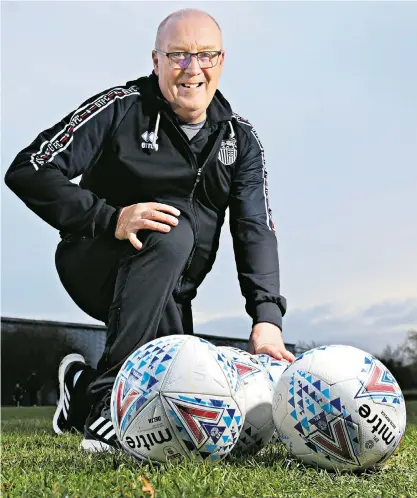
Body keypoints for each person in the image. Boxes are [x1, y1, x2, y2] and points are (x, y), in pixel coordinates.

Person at [5, 8, 295, 451]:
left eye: (205, 55)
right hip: (95, 259)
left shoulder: (240, 140)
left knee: (183, 392)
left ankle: (80, 389)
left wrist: (267, 320)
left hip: (172, 291)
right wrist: (110, 218)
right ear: (156, 60)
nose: (191, 68)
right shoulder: (121, 107)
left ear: (221, 61)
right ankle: (107, 407)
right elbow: (29, 168)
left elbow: (255, 229)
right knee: (172, 228)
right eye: (178, 55)